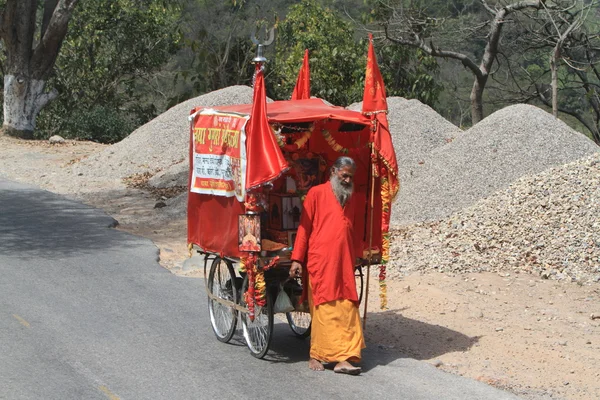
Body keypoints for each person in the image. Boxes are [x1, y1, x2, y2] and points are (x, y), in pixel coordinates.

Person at [289, 156, 365, 375]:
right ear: (333, 171)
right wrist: (296, 258)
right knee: (324, 307)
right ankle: (318, 355)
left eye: (351, 176)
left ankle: (345, 357)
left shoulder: (352, 197)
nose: (348, 179)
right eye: (344, 175)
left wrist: (359, 254)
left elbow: (353, 229)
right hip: (321, 262)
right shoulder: (316, 193)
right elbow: (304, 229)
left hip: (345, 262)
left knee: (347, 307)